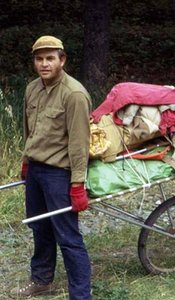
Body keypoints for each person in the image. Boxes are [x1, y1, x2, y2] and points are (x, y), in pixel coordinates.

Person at [10, 36, 92, 298]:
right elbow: (29, 129)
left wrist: (78, 184)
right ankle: (42, 280)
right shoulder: (32, 89)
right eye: (39, 59)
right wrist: (26, 161)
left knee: (68, 237)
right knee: (40, 228)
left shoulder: (75, 94)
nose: (44, 64)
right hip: (36, 171)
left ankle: (80, 295)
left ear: (62, 59)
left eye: (50, 58)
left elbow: (80, 144)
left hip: (59, 174)